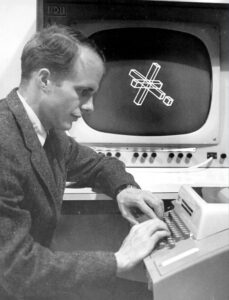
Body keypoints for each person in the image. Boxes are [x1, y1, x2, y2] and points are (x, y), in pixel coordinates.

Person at [0, 25, 169, 300]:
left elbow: (98, 164)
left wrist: (124, 188)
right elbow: (17, 269)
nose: (90, 107)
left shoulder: (48, 134)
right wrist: (119, 260)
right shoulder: (3, 141)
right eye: (83, 92)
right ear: (44, 80)